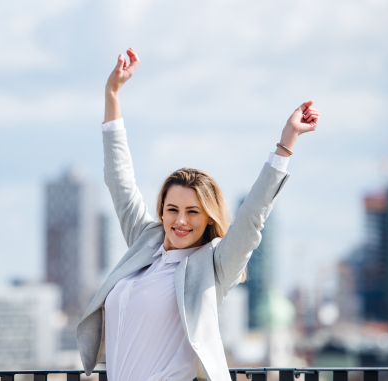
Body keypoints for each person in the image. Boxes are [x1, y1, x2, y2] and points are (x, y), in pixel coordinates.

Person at [76, 48, 320, 381]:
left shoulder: (213, 265)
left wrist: (286, 144)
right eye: (172, 209)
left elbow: (251, 217)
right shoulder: (145, 242)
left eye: (193, 212)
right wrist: (112, 93)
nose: (180, 220)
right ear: (161, 210)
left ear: (208, 218)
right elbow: (120, 178)